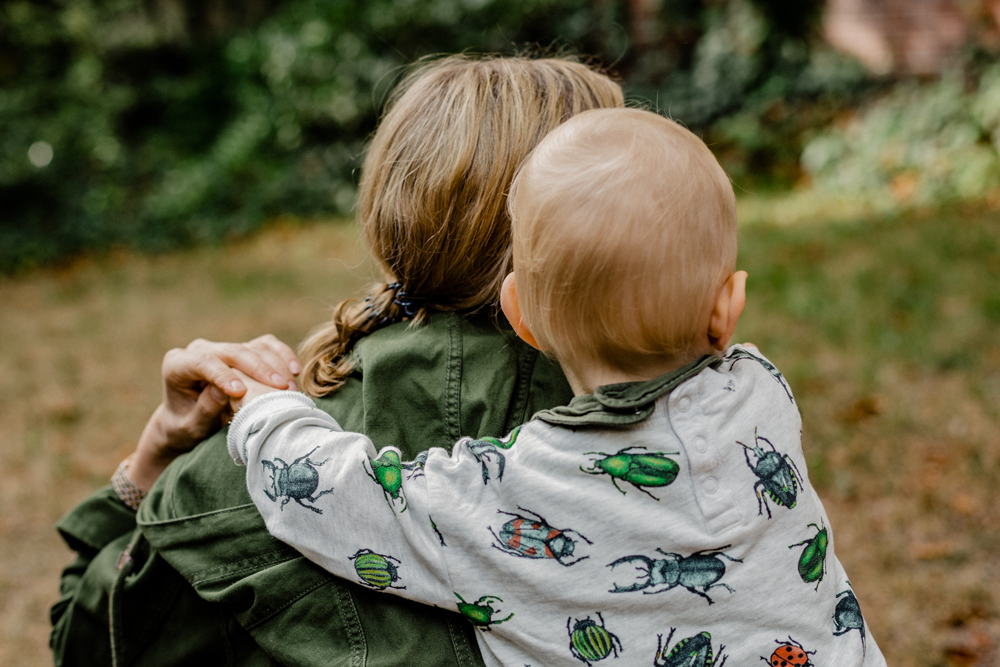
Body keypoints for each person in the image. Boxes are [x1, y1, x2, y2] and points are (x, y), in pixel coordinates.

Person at [225, 108, 887, 667]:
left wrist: (267, 409)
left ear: (521, 315)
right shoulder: (767, 395)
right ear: (729, 303)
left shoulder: (512, 489)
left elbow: (337, 499)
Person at [51, 55, 624, 666]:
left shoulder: (237, 473)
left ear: (391, 202)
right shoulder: (702, 433)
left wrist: (154, 456)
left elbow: (85, 645)